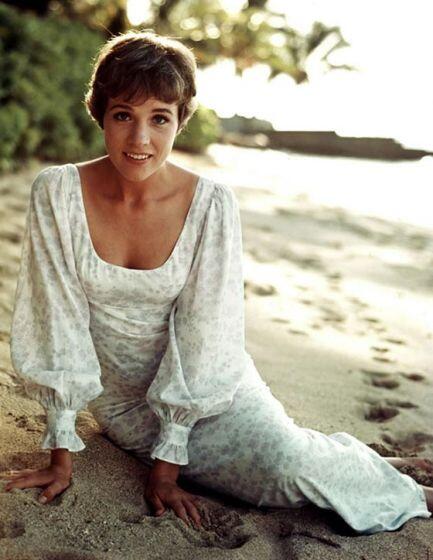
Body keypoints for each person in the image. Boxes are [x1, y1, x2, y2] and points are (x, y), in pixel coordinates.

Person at [3, 29, 433, 535]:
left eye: (159, 118)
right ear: (100, 114)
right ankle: (346, 461)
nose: (140, 140)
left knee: (284, 469)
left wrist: (166, 470)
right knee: (270, 475)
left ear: (180, 120)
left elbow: (205, 334)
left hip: (208, 387)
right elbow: (57, 322)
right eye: (123, 116)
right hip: (122, 404)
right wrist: (60, 456)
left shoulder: (210, 204)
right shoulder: (58, 192)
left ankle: (404, 488)